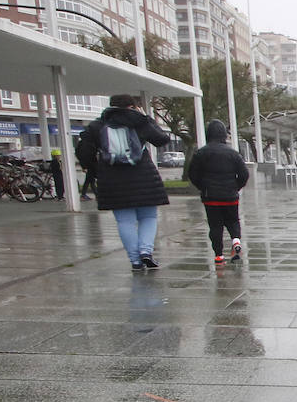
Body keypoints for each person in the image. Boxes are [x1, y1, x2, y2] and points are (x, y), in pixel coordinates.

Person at [74, 93, 172, 272]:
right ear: (132, 107)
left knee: (124, 221)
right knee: (148, 217)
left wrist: (98, 169)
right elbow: (162, 140)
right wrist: (145, 118)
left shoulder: (97, 126)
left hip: (112, 180)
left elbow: (83, 154)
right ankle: (146, 251)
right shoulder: (139, 122)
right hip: (144, 177)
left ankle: (135, 260)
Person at [187, 119, 250, 264]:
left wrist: (203, 187)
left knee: (215, 226)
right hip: (230, 196)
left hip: (211, 197)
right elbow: (244, 174)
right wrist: (236, 187)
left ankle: (218, 255)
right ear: (224, 135)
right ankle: (235, 241)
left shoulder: (201, 153)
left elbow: (193, 174)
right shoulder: (233, 154)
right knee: (233, 220)